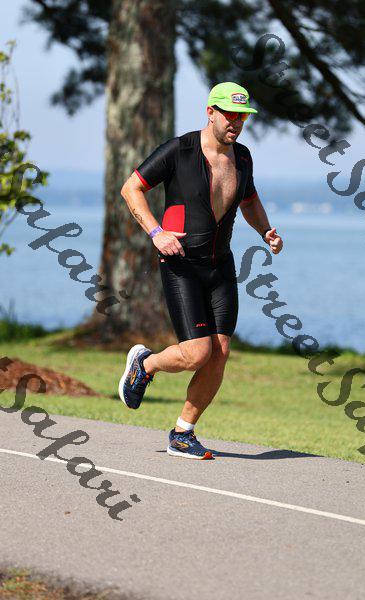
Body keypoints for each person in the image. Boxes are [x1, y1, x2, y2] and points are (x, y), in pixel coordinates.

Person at [119, 81, 283, 460]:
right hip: (182, 264)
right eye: (230, 115)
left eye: (242, 117)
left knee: (220, 352)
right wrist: (156, 233)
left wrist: (266, 232)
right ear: (210, 112)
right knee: (196, 354)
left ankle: (182, 433)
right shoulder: (179, 150)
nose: (236, 123)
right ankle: (146, 363)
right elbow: (131, 189)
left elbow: (249, 200)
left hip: (220, 265)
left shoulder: (243, 158)